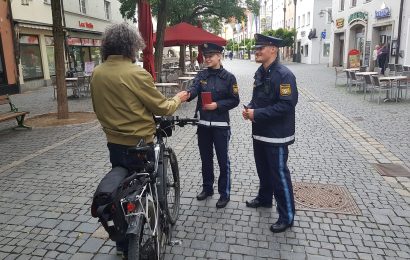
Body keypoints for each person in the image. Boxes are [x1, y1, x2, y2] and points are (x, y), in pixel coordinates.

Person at [90, 23, 189, 257]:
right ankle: (156, 217)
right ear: (131, 45)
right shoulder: (136, 73)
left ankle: (123, 241)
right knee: (148, 183)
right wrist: (178, 98)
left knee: (123, 189)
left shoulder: (97, 73)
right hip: (141, 144)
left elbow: (97, 108)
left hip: (114, 144)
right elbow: (161, 107)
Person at [242, 34, 298, 233]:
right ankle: (265, 199)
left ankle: (287, 215)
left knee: (279, 175)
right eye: (256, 48)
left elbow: (286, 105)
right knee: (263, 170)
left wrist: (257, 113)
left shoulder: (284, 75)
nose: (256, 51)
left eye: (260, 48)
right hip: (260, 131)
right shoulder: (260, 72)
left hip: (277, 134)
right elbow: (258, 98)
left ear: (273, 49)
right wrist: (250, 107)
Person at [186, 42, 239, 208]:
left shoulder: (229, 77)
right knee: (206, 159)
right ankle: (207, 188)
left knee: (223, 161)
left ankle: (224, 193)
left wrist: (217, 105)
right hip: (203, 125)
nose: (207, 59)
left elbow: (235, 100)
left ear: (219, 56)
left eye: (210, 56)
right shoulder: (201, 76)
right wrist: (186, 94)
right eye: (205, 56)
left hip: (221, 125)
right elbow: (194, 89)